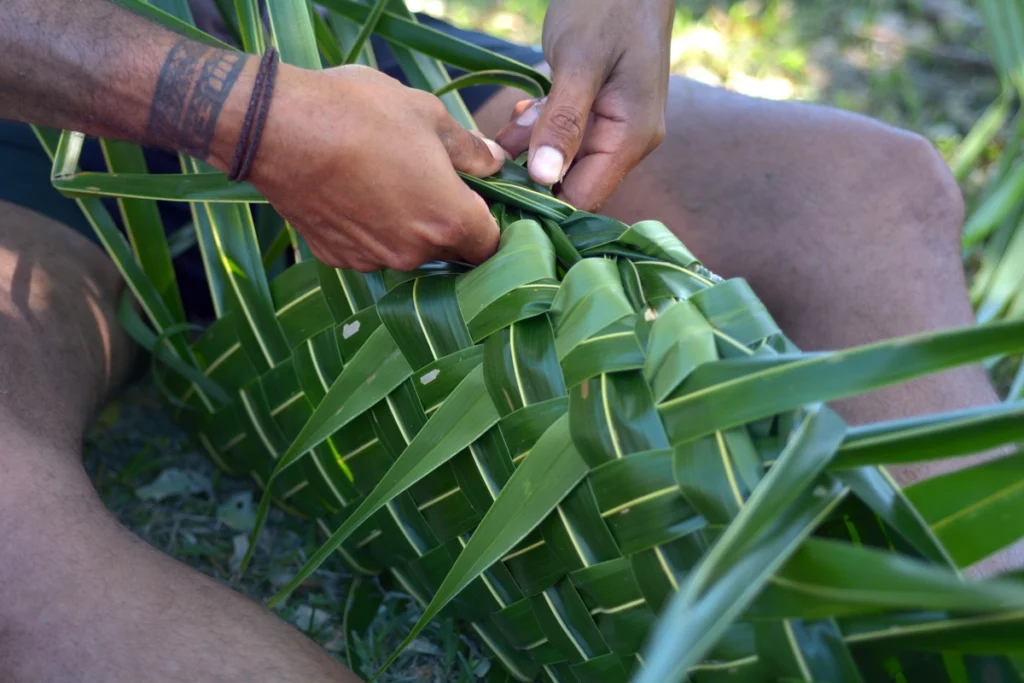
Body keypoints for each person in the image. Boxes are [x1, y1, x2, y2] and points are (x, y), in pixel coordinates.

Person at [0, 0, 1012, 681]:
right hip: (26, 129)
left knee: (864, 193)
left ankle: (990, 640)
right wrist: (249, 121)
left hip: (295, 46)